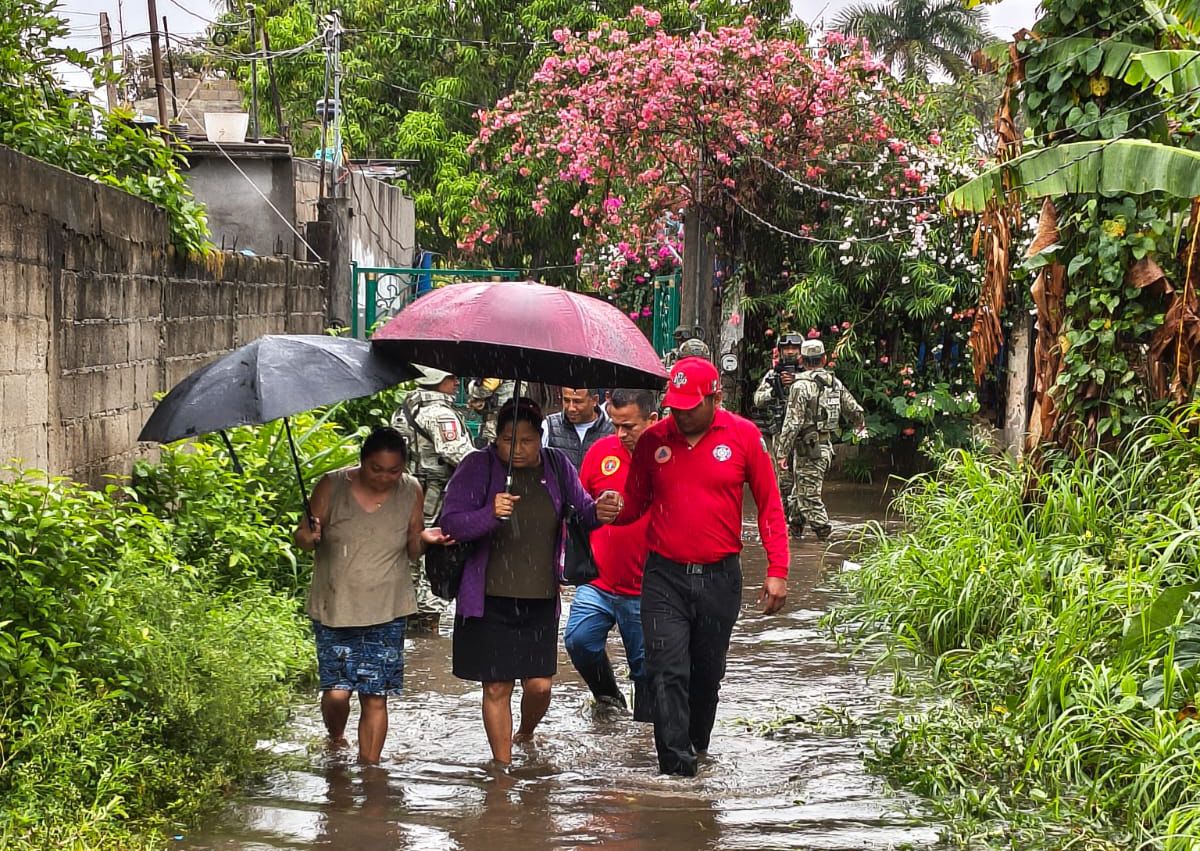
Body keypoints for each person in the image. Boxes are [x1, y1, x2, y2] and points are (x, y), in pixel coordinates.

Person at [616, 357, 790, 777]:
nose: (680, 415)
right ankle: (676, 773)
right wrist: (611, 510)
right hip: (664, 577)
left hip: (719, 577)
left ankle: (695, 748)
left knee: (706, 675)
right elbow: (634, 504)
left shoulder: (745, 436)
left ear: (716, 398)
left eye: (690, 407)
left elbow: (769, 506)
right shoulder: (653, 441)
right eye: (674, 406)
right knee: (666, 670)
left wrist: (777, 569)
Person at [439, 399, 623, 764]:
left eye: (525, 440)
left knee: (539, 686)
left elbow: (582, 513)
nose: (516, 449)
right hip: (488, 599)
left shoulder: (557, 465)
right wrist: (488, 514)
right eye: (508, 440)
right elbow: (451, 524)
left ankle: (525, 732)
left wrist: (602, 511)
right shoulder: (478, 466)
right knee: (496, 685)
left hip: (538, 598)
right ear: (497, 438)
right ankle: (502, 770)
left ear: (539, 438)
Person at [294, 426, 449, 764]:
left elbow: (411, 548)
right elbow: (303, 540)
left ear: (404, 468)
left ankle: (370, 772)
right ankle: (336, 738)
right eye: (376, 469)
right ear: (361, 463)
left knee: (375, 695)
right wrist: (311, 535)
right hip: (336, 605)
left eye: (393, 471)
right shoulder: (332, 485)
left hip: (387, 607)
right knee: (336, 693)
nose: (384, 478)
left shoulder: (410, 490)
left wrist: (427, 540)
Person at [565, 388, 659, 721]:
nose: (620, 434)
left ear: (652, 420)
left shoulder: (667, 458)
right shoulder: (601, 451)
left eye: (629, 426)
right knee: (579, 640)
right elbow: (577, 506)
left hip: (647, 587)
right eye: (616, 425)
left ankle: (645, 734)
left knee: (646, 668)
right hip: (599, 579)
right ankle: (608, 698)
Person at [392, 365, 475, 633]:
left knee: (410, 554)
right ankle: (426, 624)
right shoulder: (439, 413)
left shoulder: (405, 409)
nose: (455, 382)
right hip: (434, 495)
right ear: (437, 380)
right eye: (450, 377)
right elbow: (457, 453)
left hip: (405, 493)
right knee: (433, 556)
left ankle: (407, 618)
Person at [776, 339, 866, 542]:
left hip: (809, 449)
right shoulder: (834, 382)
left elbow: (792, 422)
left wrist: (782, 452)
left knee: (808, 498)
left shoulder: (800, 386)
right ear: (824, 359)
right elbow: (854, 410)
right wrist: (859, 426)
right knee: (797, 494)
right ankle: (794, 536)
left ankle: (826, 541)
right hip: (823, 446)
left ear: (802, 359)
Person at [752, 332, 804, 535]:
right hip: (779, 434)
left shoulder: (810, 374)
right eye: (786, 348)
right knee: (782, 480)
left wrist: (796, 382)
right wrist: (775, 390)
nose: (790, 352)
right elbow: (758, 399)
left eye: (794, 348)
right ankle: (782, 524)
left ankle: (797, 523)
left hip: (803, 436)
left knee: (803, 482)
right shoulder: (772, 375)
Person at [541, 387, 615, 470]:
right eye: (566, 400)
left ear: (595, 400)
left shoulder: (613, 430)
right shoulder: (548, 427)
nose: (571, 408)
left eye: (577, 402)